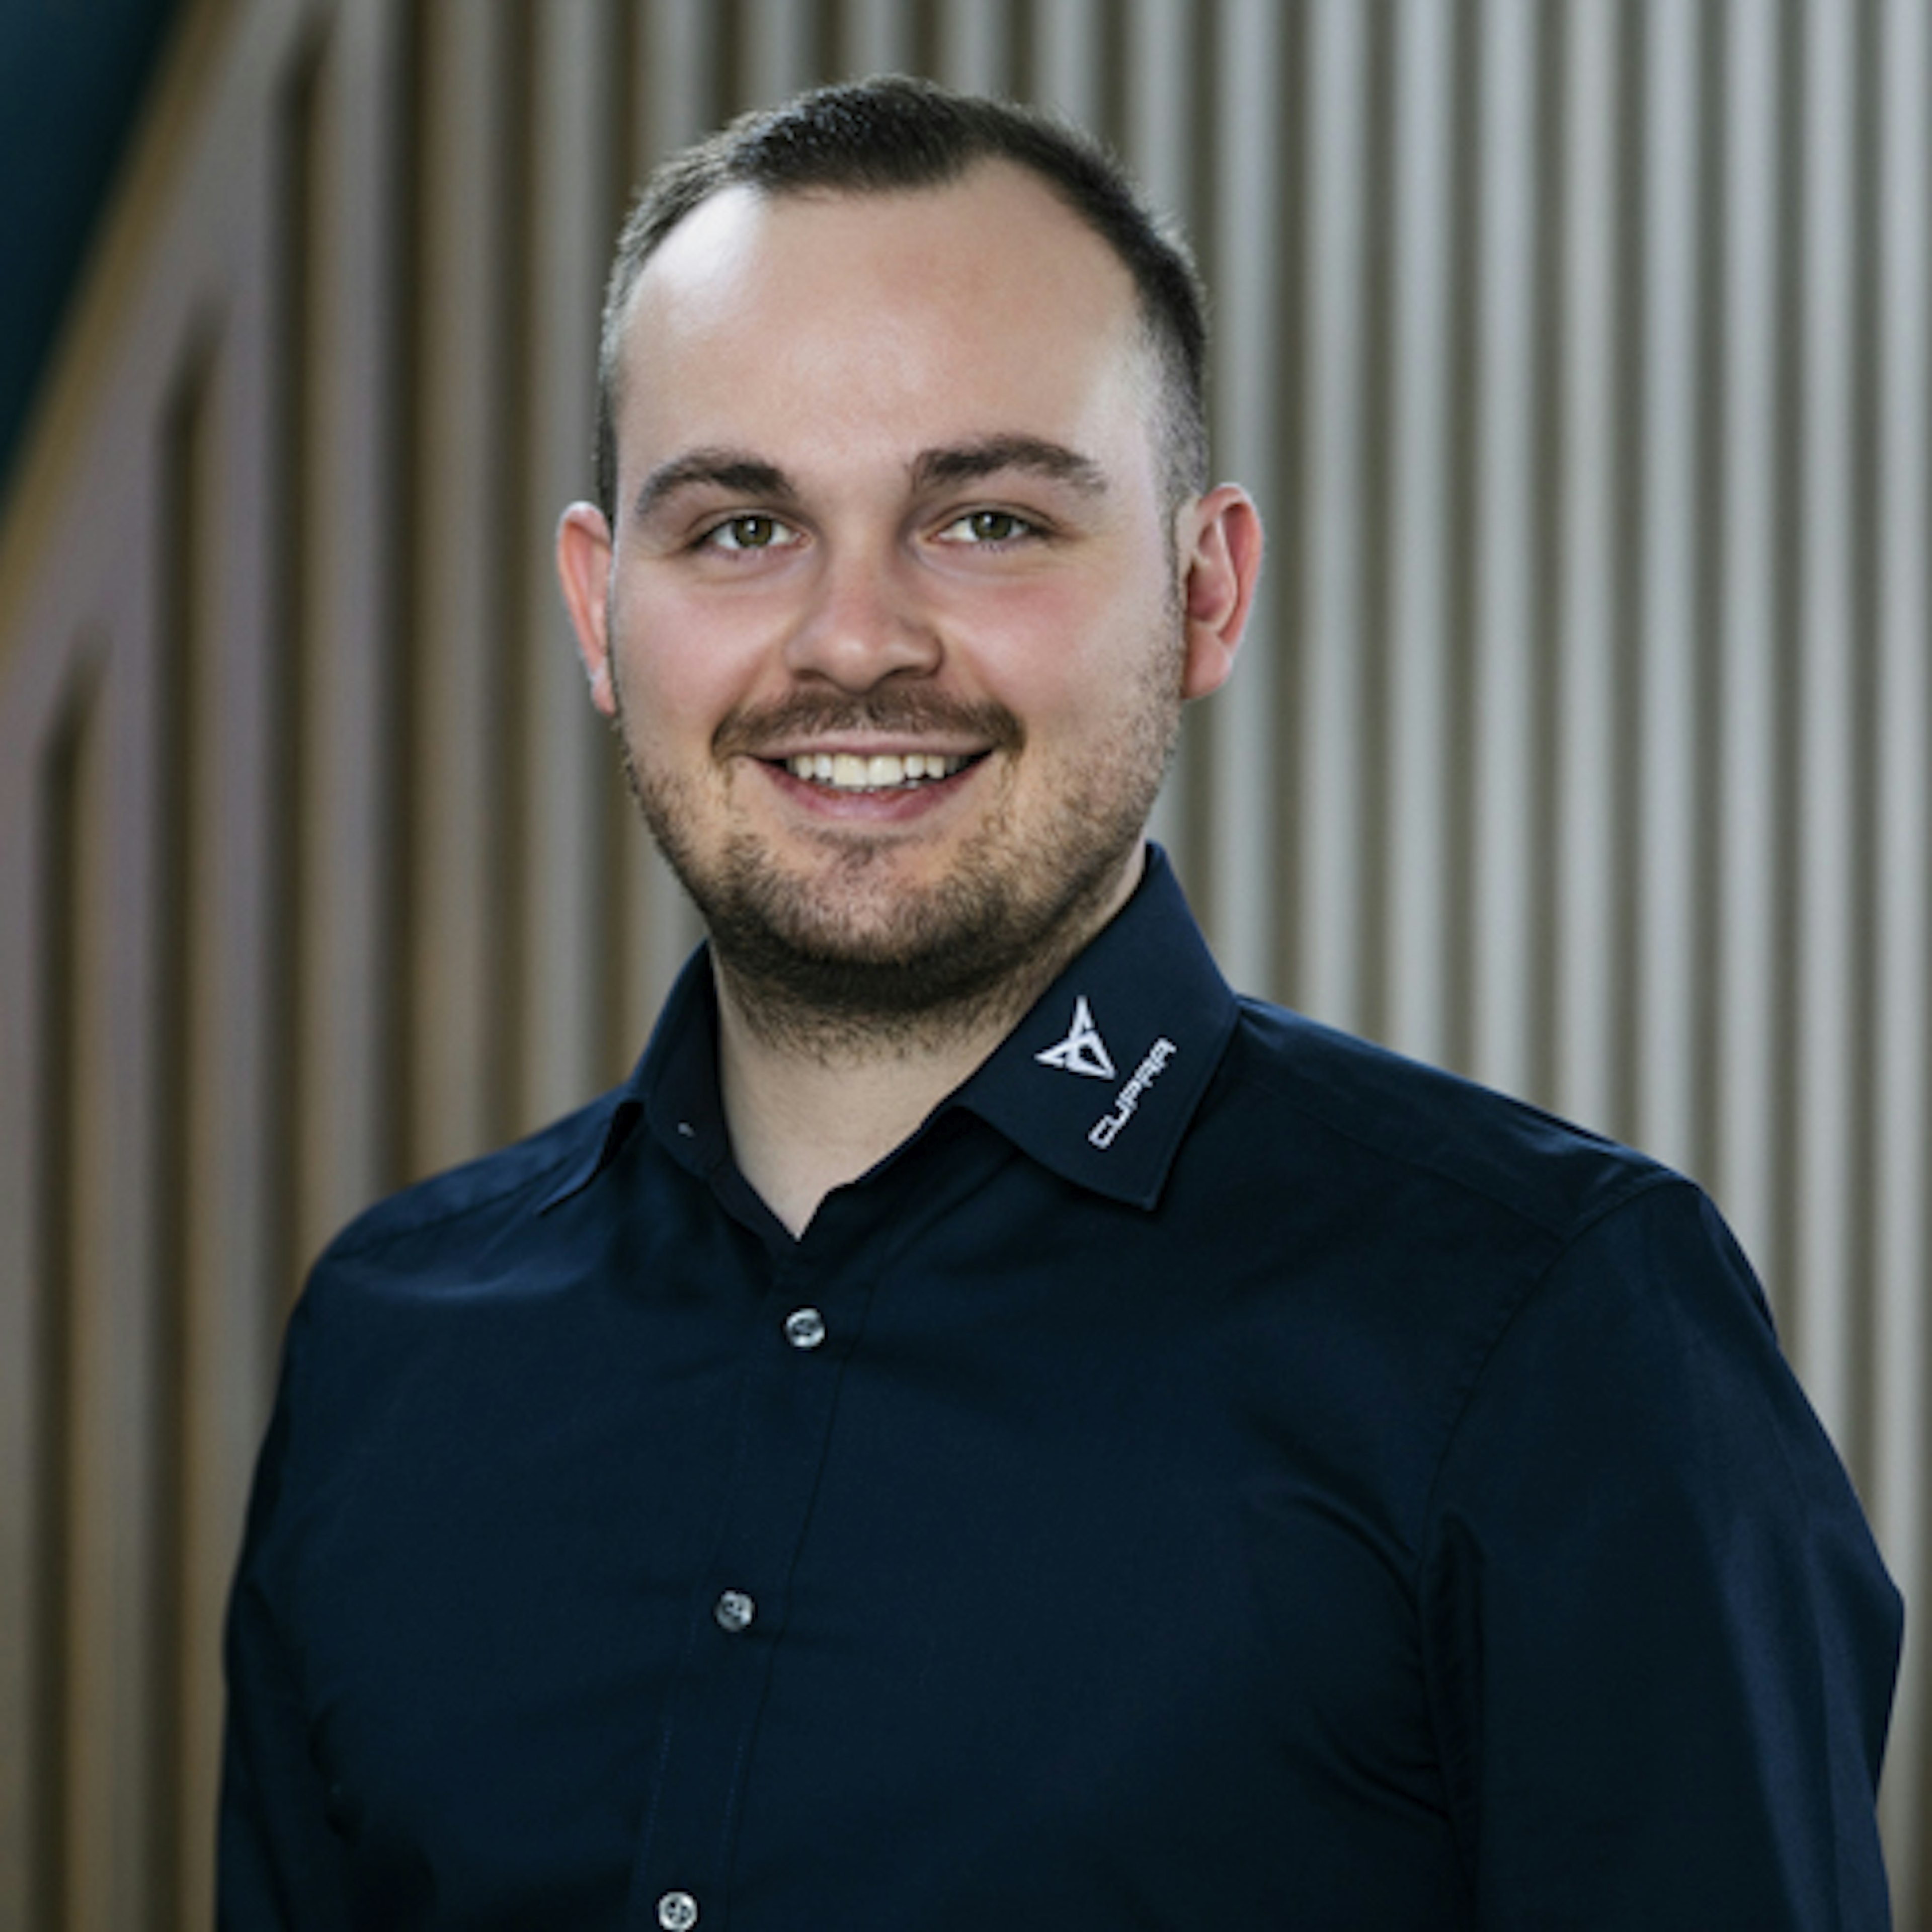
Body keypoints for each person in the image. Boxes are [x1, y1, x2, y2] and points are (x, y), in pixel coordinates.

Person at [219, 76, 1901, 1929]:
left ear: (1205, 591)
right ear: (600, 607)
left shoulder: (1555, 1336)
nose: (856, 641)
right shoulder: (389, 1348)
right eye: (744, 529)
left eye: (990, 521)